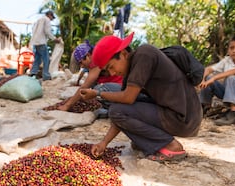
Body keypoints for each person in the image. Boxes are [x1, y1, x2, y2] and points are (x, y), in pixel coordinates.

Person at [80, 32, 202, 162]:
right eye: (107, 70)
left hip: (184, 118)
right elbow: (122, 109)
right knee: (117, 109)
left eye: (111, 67)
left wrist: (98, 93)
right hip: (179, 115)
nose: (112, 73)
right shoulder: (130, 72)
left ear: (123, 54)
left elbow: (127, 99)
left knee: (115, 109)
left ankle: (172, 146)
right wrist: (104, 143)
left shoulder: (144, 55)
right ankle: (149, 142)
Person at [199, 33, 235, 126]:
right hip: (229, 92)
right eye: (231, 48)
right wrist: (203, 80)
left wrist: (214, 78)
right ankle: (203, 107)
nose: (234, 51)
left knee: (231, 78)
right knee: (208, 77)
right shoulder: (227, 60)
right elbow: (209, 69)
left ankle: (233, 112)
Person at [58, 40, 123, 112]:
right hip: (115, 89)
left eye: (81, 62)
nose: (82, 66)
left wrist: (67, 105)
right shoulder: (92, 65)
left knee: (97, 89)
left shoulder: (96, 61)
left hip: (120, 88)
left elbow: (85, 86)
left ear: (88, 55)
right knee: (90, 92)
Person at [29, 10, 61, 81]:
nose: (52, 19)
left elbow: (33, 30)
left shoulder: (38, 20)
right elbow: (47, 31)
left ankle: (33, 73)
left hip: (35, 42)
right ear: (49, 15)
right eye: (52, 17)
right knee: (46, 59)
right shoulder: (46, 20)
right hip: (41, 42)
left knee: (37, 58)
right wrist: (54, 39)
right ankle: (46, 75)